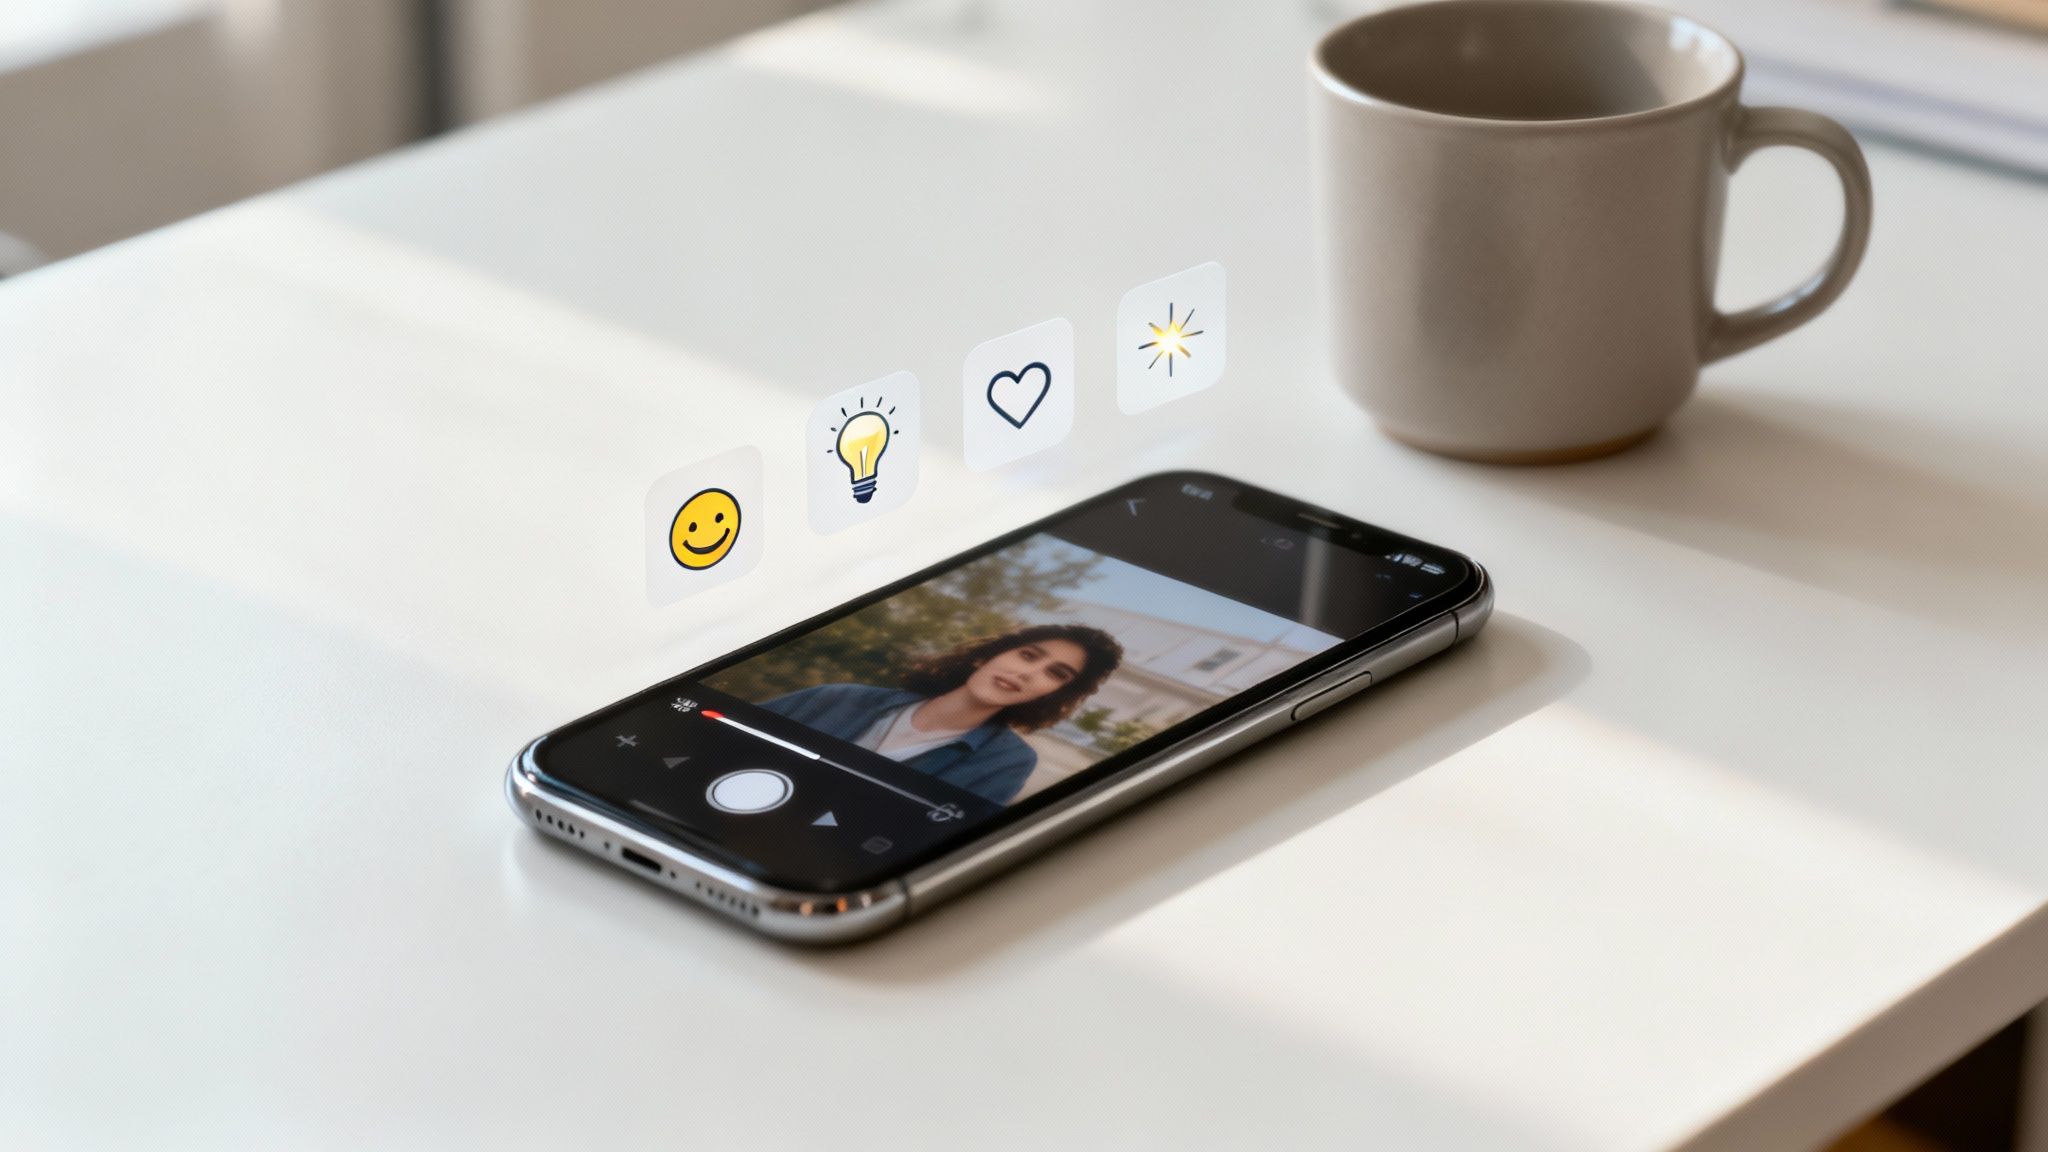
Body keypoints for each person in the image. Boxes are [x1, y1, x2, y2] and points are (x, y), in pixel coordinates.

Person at [760, 624, 1124, 806]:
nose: (1028, 673)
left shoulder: (1007, 763)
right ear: (988, 656)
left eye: (1055, 674)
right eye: (1028, 656)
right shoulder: (841, 698)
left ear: (1053, 693)